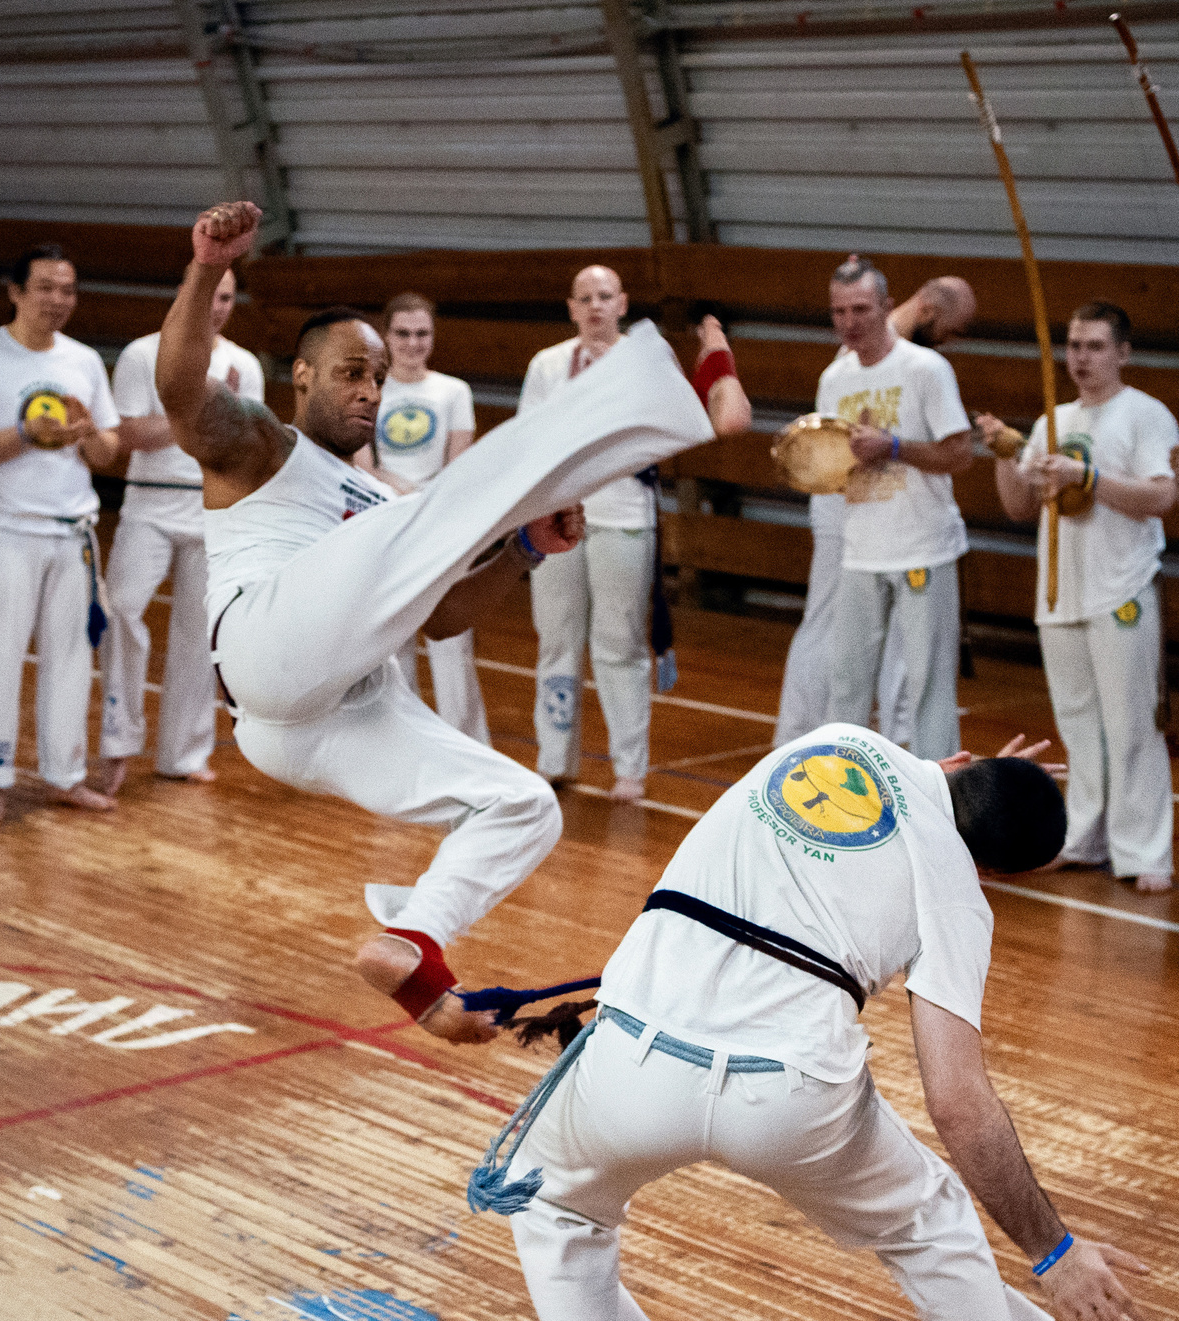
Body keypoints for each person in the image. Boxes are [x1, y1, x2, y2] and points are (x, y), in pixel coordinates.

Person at [490, 726, 1148, 1321]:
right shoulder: (957, 889)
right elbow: (960, 1107)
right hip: (792, 1096)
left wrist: (987, 782)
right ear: (991, 868)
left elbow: (913, 792)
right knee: (929, 1218)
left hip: (633, 1059)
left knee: (554, 1198)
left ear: (964, 764)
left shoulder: (839, 740)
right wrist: (1055, 1253)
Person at [161, 201, 751, 1042]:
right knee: (428, 509)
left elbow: (440, 622)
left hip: (331, 711)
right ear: (299, 377)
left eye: (375, 378)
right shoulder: (263, 447)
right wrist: (209, 266)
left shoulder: (385, 503)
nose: (367, 391)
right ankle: (661, 406)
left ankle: (415, 943)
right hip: (263, 656)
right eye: (348, 374)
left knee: (523, 804)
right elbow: (182, 391)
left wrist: (523, 549)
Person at [981, 302, 1179, 893]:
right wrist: (1003, 457)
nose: (1080, 358)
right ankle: (1083, 838)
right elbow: (1019, 508)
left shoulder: (1145, 414)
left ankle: (1145, 850)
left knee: (1132, 725)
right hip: (1062, 591)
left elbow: (1161, 497)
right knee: (1079, 726)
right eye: (1073, 345)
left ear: (1122, 352)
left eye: (1094, 346)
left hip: (1121, 589)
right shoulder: (1051, 421)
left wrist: (1085, 478)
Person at [0, 242, 123, 827]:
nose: (57, 300)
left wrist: (88, 432)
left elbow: (108, 453)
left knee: (72, 658)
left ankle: (64, 774)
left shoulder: (85, 362)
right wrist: (25, 433)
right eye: (44, 287)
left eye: (67, 289)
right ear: (15, 292)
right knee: (1, 653)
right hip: (5, 530)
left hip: (72, 530)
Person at [777, 275, 979, 745]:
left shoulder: (925, 369)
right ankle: (844, 792)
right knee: (847, 685)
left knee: (928, 685)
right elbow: (835, 467)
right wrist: (802, 459)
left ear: (888, 306)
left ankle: (936, 792)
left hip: (922, 548)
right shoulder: (834, 379)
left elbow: (959, 454)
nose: (850, 322)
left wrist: (892, 447)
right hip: (860, 551)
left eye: (862, 309)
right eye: (839, 312)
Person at [101, 267, 262, 791]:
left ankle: (183, 753)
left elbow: (243, 444)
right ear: (184, 293)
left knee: (200, 634)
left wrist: (229, 417)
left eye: (227, 298)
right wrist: (196, 411)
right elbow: (126, 434)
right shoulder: (144, 354)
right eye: (210, 294)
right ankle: (118, 741)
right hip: (149, 506)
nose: (217, 306)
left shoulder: (245, 364)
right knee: (120, 609)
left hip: (211, 508)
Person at [520, 266, 661, 801]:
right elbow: (529, 438)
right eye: (586, 298)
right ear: (571, 306)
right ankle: (554, 758)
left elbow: (655, 435)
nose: (596, 306)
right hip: (557, 513)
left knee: (618, 642)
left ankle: (630, 767)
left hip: (623, 512)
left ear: (622, 303)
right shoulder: (548, 364)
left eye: (605, 296)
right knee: (556, 638)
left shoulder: (644, 361)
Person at [359, 292, 490, 745]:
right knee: (392, 646)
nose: (413, 343)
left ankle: (467, 747)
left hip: (440, 529)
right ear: (386, 336)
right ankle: (401, 746)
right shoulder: (369, 390)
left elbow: (461, 467)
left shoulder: (454, 391)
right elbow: (361, 464)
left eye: (422, 333)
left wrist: (425, 499)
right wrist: (400, 491)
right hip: (386, 527)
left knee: (451, 643)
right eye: (403, 333)